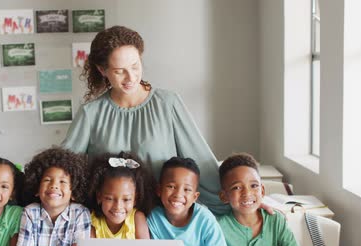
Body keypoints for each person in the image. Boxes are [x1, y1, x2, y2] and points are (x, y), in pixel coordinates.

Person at [61, 25, 235, 216]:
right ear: (103, 70)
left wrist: (241, 204)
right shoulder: (90, 113)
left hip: (162, 219)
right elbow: (63, 171)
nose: (130, 77)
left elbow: (202, 162)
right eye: (120, 71)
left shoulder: (168, 103)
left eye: (135, 66)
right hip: (109, 223)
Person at [217, 153, 306, 246]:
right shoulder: (218, 226)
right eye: (236, 187)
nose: (247, 193)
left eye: (254, 186)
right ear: (224, 196)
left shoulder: (275, 220)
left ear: (262, 191)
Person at [16, 147, 91, 246]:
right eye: (47, 180)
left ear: (73, 191)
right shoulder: (30, 213)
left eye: (62, 181)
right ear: (37, 189)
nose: (54, 185)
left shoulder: (81, 214)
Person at [147, 157, 229, 246]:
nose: (178, 194)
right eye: (171, 186)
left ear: (195, 197)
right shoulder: (153, 218)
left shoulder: (204, 219)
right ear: (159, 190)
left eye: (187, 189)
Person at [87, 151, 155, 239]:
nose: (118, 206)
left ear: (135, 199)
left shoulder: (137, 219)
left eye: (126, 199)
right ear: (99, 196)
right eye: (110, 199)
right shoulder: (92, 220)